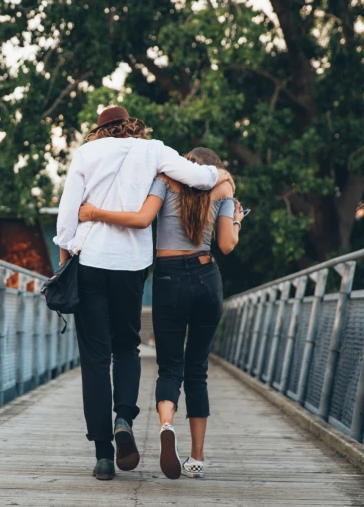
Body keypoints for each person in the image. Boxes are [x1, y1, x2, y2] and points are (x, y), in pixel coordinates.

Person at [54, 107, 234, 481]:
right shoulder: (153, 149)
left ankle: (104, 455)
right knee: (126, 347)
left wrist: (63, 261)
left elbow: (68, 214)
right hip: (132, 266)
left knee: (95, 357)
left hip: (89, 262)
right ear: (131, 126)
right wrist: (222, 175)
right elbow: (199, 177)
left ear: (100, 130)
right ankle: (124, 417)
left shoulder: (86, 154)